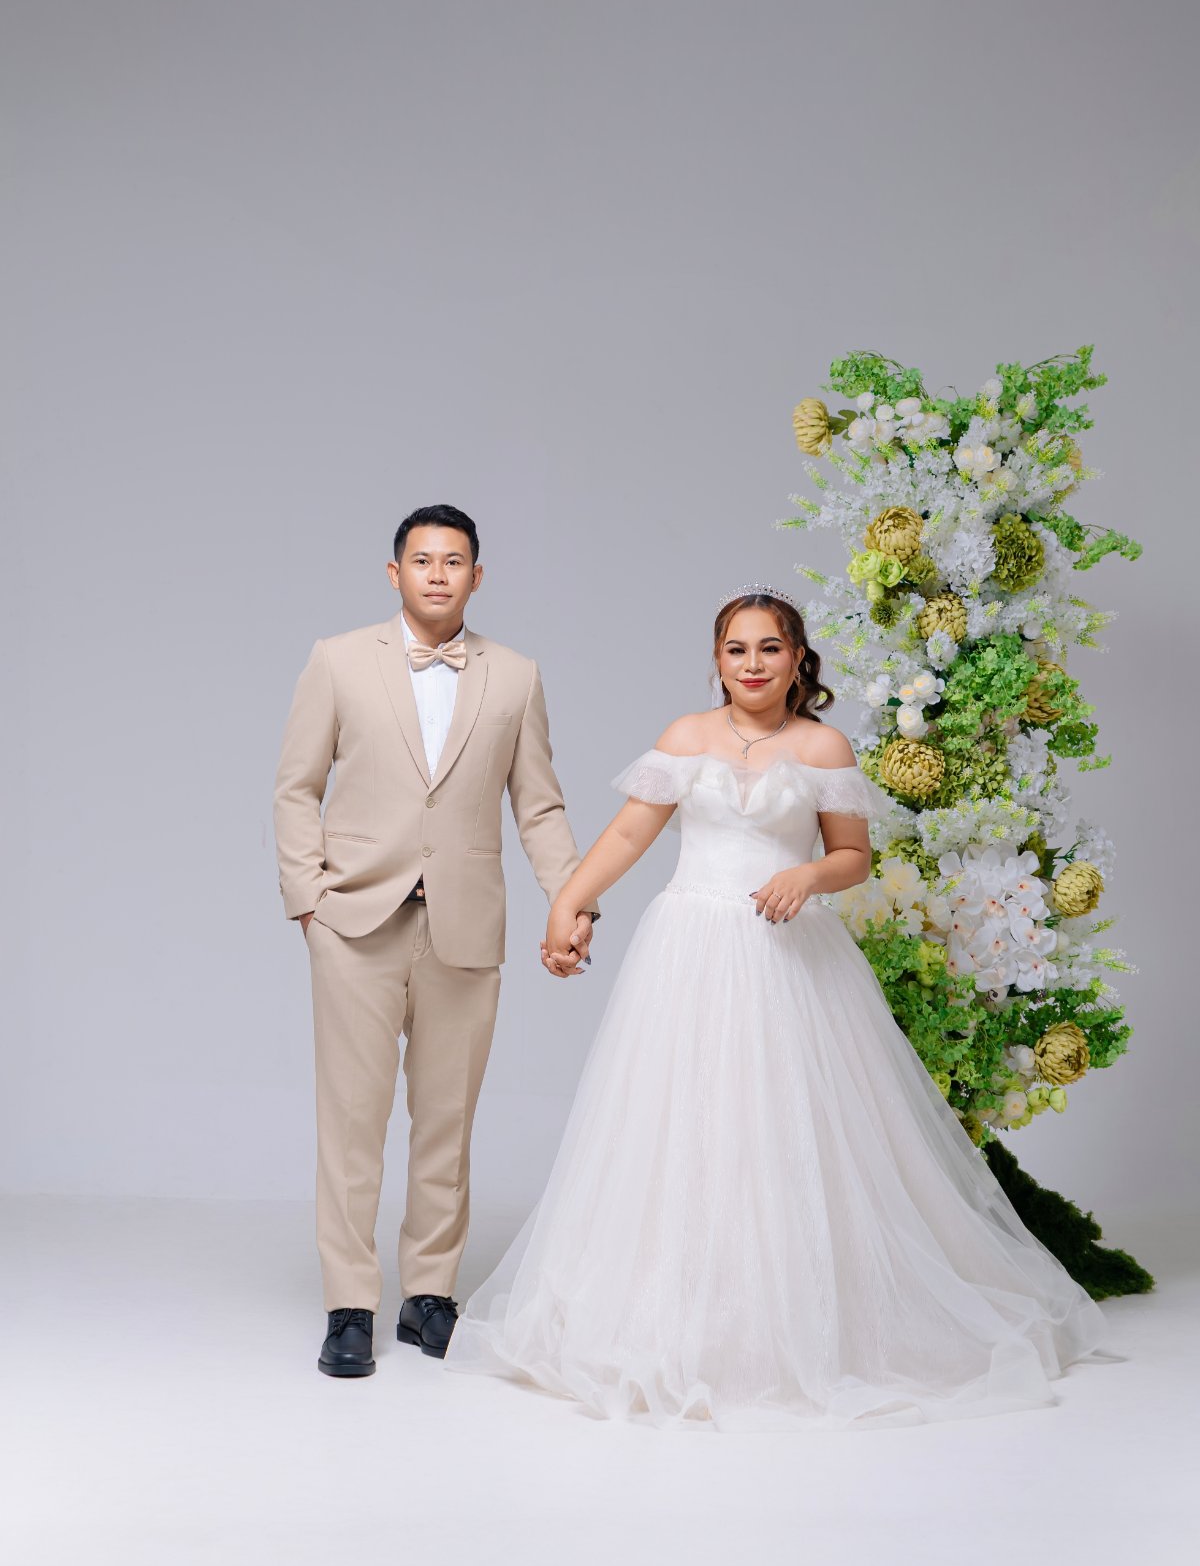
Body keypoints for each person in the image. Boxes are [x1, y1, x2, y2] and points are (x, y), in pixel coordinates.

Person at [444, 585, 1122, 1428]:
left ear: (798, 658)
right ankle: (684, 1309)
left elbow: (853, 856)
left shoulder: (821, 744)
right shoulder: (685, 738)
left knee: (781, 1122)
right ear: (717, 659)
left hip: (786, 954)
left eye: (770, 648)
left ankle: (790, 1315)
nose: (753, 664)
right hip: (690, 947)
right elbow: (627, 834)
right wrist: (568, 903)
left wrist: (806, 874)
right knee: (683, 1122)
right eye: (737, 649)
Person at [273, 505, 599, 1379]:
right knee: (352, 1120)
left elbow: (539, 805)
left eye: (455, 561)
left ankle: (429, 1295)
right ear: (395, 574)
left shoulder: (516, 676)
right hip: (354, 922)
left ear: (477, 577)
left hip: (465, 925)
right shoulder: (338, 659)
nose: (438, 574)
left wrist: (573, 901)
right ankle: (349, 1304)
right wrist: (308, 901)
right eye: (422, 560)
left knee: (447, 1121)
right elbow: (296, 787)